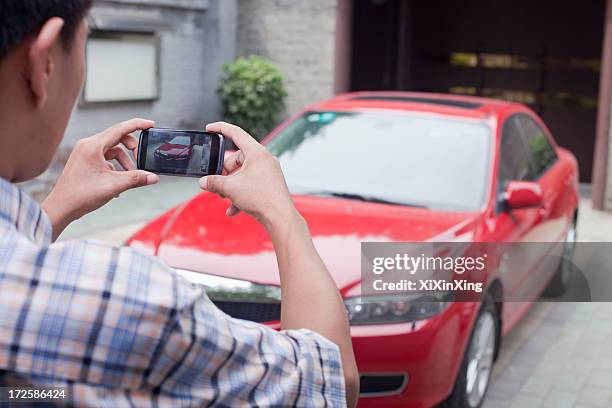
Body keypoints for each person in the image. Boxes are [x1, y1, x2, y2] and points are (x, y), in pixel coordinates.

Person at [0, 1, 359, 406]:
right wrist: (280, 211)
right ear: (43, 62)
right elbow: (329, 380)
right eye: (85, 44)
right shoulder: (125, 296)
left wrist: (54, 210)